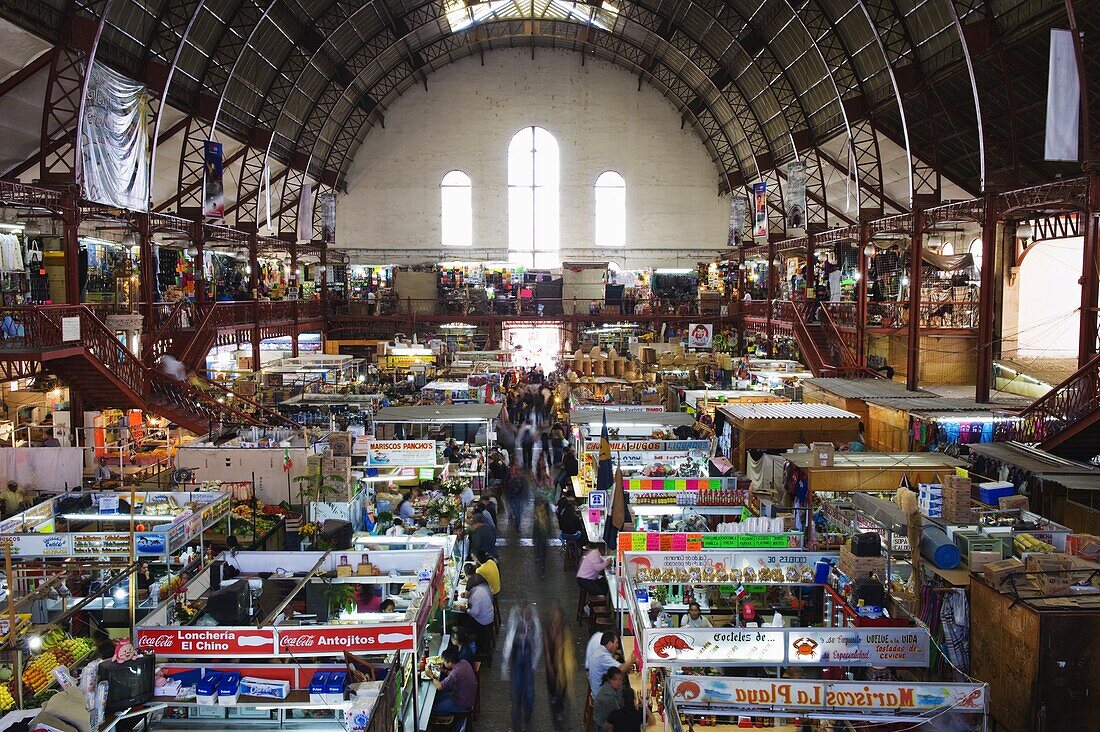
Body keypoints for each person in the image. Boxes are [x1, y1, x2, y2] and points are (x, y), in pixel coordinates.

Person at [501, 600, 542, 732]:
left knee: (529, 692)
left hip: (528, 654)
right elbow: (509, 641)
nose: (526, 619)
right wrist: (505, 667)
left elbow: (538, 640)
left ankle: (527, 714)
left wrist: (534, 664)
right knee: (517, 689)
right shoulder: (515, 619)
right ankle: (517, 718)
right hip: (517, 653)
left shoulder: (534, 622)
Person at [543, 604, 575, 729]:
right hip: (551, 663)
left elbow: (567, 650)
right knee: (552, 686)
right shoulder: (548, 629)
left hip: (563, 665)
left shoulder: (565, 631)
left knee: (560, 688)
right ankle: (555, 701)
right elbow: (546, 646)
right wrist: (549, 664)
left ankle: (559, 710)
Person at [429, 646, 477, 719]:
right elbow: (454, 676)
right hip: (468, 697)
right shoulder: (464, 662)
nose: (443, 662)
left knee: (433, 710)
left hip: (462, 703)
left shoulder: (455, 672)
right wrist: (443, 670)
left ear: (450, 663)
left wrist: (431, 676)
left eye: (444, 661)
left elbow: (440, 686)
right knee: (438, 697)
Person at [587, 632, 638, 696]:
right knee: (630, 693)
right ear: (609, 643)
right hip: (601, 695)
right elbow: (621, 669)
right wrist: (631, 659)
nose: (617, 645)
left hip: (597, 688)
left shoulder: (600, 650)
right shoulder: (602, 656)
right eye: (616, 643)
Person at [463, 573, 495, 664]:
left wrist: (465, 610)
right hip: (489, 615)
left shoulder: (476, 596)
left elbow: (474, 613)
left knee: (464, 626)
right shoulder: (480, 590)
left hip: (483, 621)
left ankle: (472, 650)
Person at [593, 667, 625, 732]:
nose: (618, 682)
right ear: (609, 680)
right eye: (615, 680)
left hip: (606, 722)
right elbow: (612, 720)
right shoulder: (608, 697)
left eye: (620, 679)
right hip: (604, 727)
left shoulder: (610, 687)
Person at [504, 462, 526, 534]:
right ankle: (516, 526)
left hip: (518, 498)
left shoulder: (521, 480)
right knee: (517, 513)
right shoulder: (512, 480)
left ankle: (517, 527)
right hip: (513, 498)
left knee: (518, 514)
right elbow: (508, 488)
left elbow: (524, 489)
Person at [532, 496, 551, 575]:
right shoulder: (546, 519)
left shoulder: (537, 521)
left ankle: (537, 558)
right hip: (544, 539)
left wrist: (533, 538)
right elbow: (549, 529)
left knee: (538, 549)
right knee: (543, 553)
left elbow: (534, 531)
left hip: (539, 539)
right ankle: (543, 566)